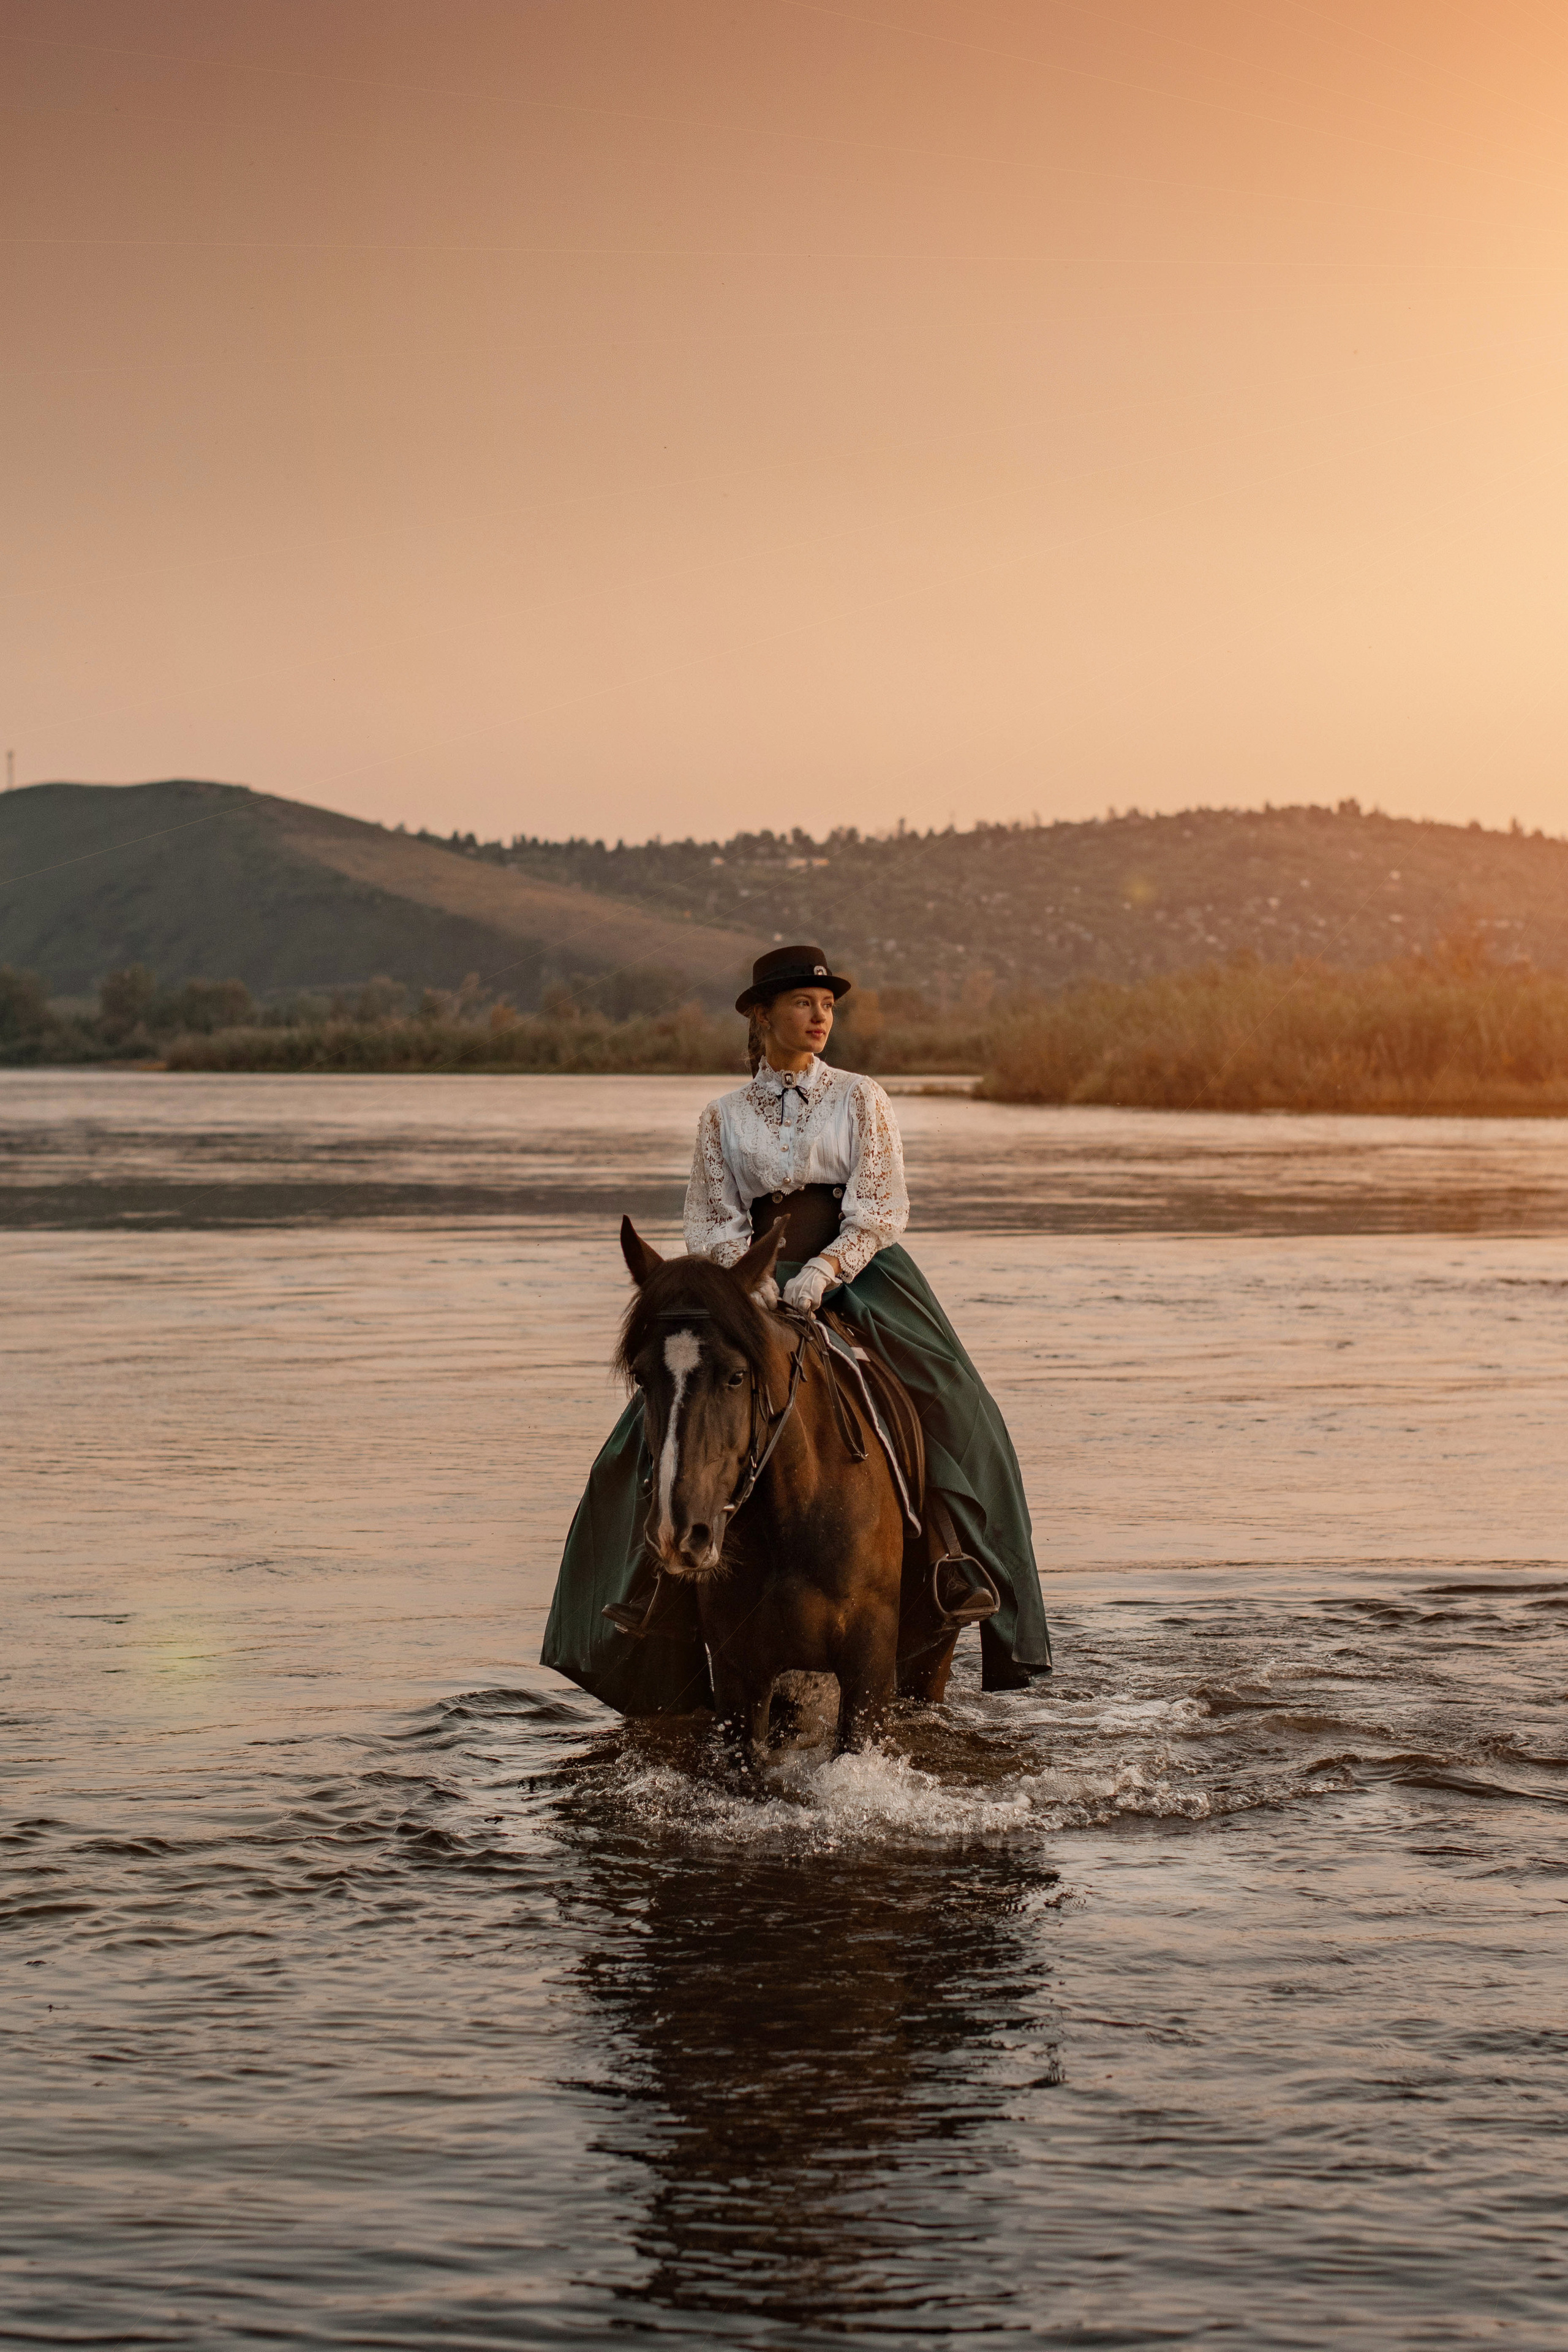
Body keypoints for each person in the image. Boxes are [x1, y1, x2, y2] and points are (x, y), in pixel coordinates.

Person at [541, 944, 1052, 1714]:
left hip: (857, 1274)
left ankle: (955, 1564)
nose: (820, 1018)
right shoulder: (722, 1116)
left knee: (958, 1404)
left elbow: (879, 1207)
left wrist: (817, 1276)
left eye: (828, 1007)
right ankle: (648, 1586)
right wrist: (753, 1287)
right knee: (657, 1422)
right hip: (748, 1284)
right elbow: (710, 1221)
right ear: (761, 1014)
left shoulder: (859, 1096)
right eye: (804, 1004)